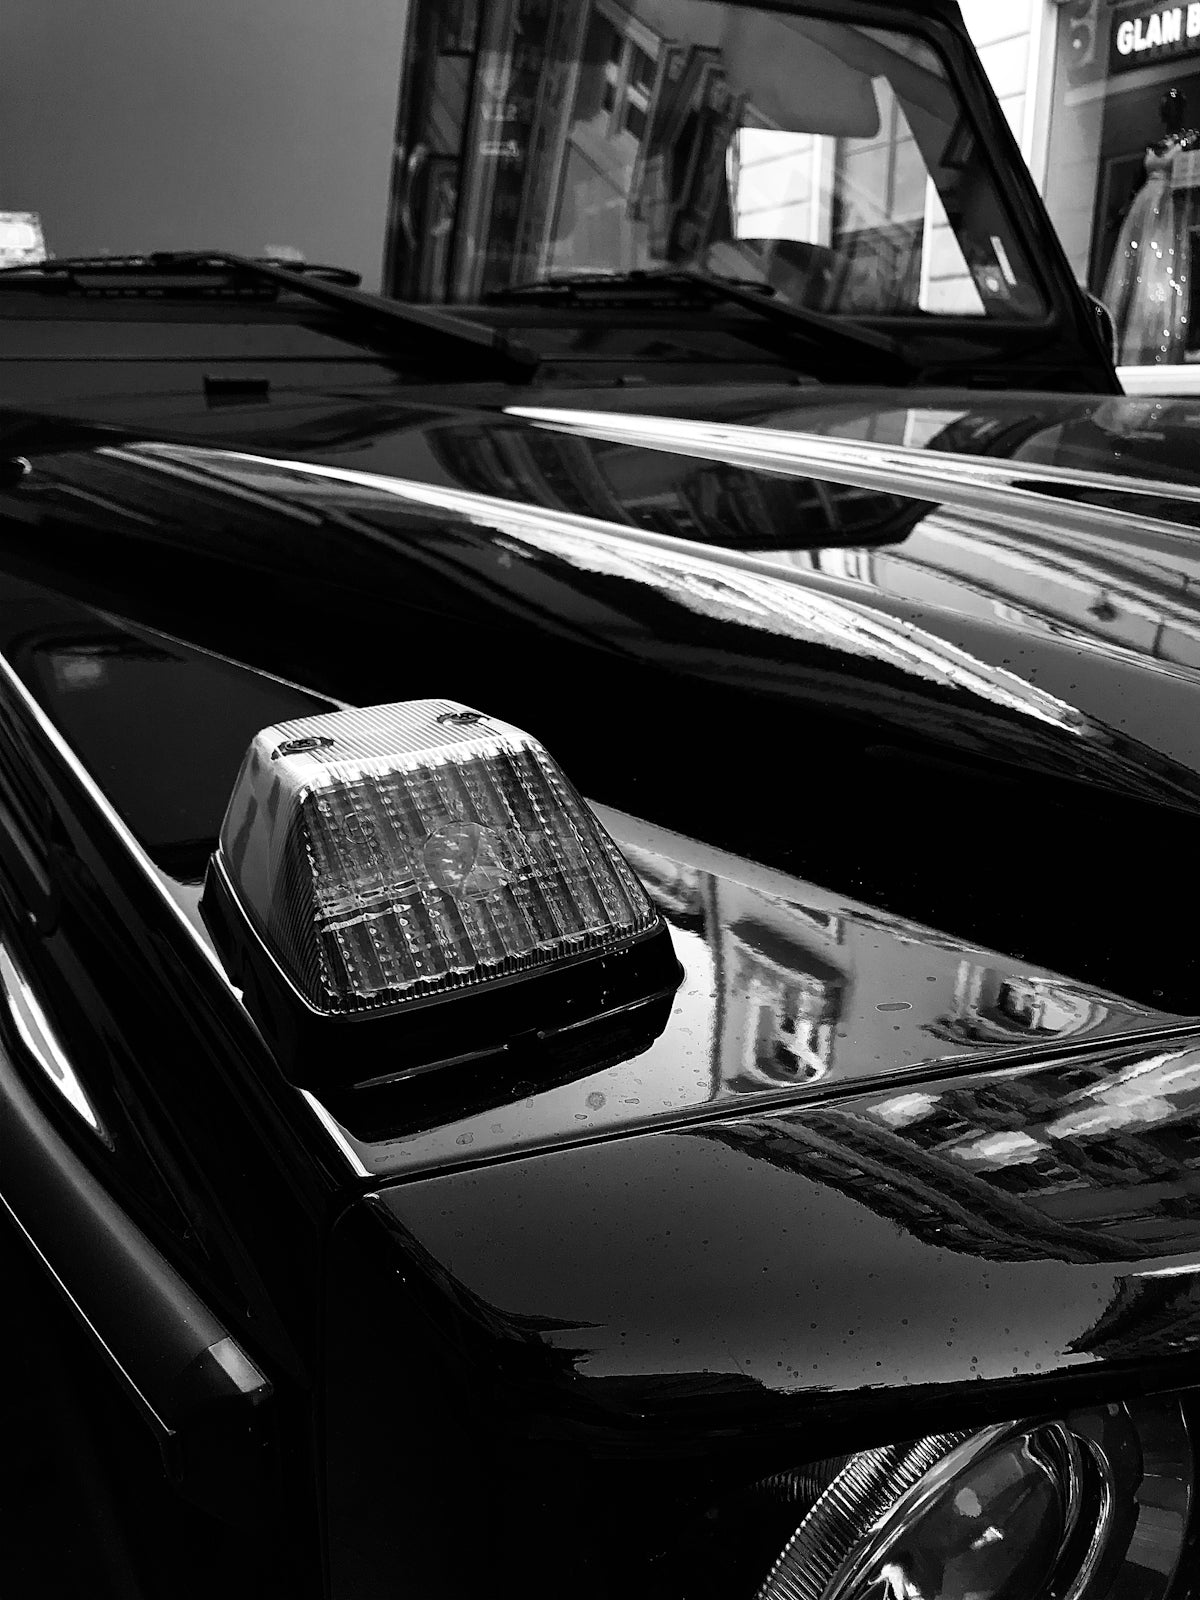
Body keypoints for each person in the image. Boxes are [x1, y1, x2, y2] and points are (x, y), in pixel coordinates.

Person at [1102, 88, 1200, 365]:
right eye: (1163, 107)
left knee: (1158, 270)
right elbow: (1135, 185)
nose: (1166, 111)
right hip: (1143, 209)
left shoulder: (1190, 140)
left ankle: (1154, 344)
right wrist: (1119, 215)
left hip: (1169, 209)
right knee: (1133, 270)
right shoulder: (1153, 144)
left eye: (1170, 106)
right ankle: (1122, 344)